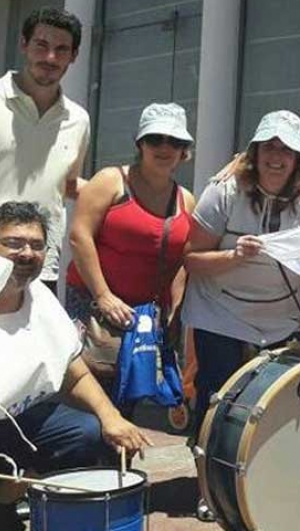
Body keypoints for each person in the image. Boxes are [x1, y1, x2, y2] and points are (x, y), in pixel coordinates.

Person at [0, 203, 151, 530]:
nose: (26, 253)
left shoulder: (39, 297)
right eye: (13, 243)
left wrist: (112, 417)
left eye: (36, 245)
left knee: (87, 433)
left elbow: (72, 369)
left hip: (15, 419)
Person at [184, 110, 300, 427]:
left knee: (276, 405)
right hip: (221, 312)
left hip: (282, 319)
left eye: (286, 149)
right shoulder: (223, 192)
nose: (276, 157)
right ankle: (208, 470)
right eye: (269, 147)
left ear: (298, 159)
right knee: (218, 401)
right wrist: (233, 256)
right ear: (255, 152)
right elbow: (191, 259)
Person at [0, 8, 90, 291]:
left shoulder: (78, 119)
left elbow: (68, 184)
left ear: (74, 56)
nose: (50, 58)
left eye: (61, 50)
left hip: (35, 269)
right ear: (23, 45)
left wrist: (123, 191)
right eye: (41, 45)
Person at [65, 103, 195, 403]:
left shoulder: (185, 199)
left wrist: (176, 312)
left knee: (128, 402)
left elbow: (181, 262)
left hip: (144, 320)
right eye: (155, 139)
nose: (165, 148)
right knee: (87, 398)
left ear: (184, 150)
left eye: (174, 142)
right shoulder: (110, 181)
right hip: (96, 311)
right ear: (140, 143)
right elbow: (79, 236)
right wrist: (103, 296)